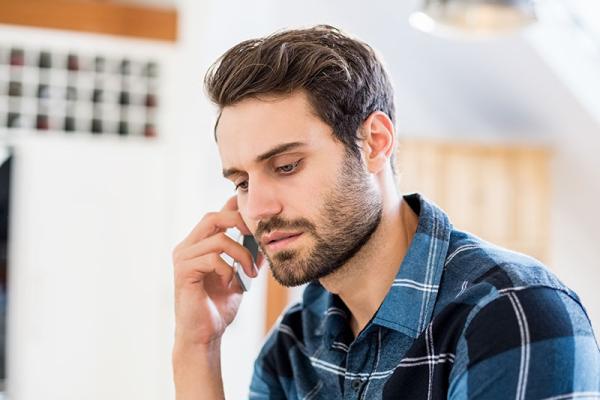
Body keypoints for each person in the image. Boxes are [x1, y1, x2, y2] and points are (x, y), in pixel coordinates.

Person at [171, 25, 600, 399]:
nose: (258, 209)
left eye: (286, 166)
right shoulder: (294, 345)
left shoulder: (512, 312)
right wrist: (198, 347)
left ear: (374, 142)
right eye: (242, 183)